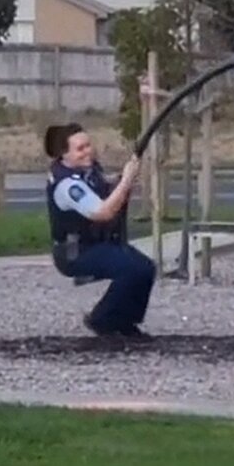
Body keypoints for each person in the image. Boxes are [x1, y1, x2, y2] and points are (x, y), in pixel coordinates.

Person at [44, 123, 155, 337]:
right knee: (132, 270)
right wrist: (127, 180)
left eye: (88, 145)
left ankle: (124, 322)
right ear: (63, 155)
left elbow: (103, 185)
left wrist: (120, 180)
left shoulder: (87, 170)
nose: (88, 151)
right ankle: (102, 319)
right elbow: (103, 212)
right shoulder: (67, 186)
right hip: (76, 253)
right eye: (80, 149)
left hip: (96, 243)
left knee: (145, 268)